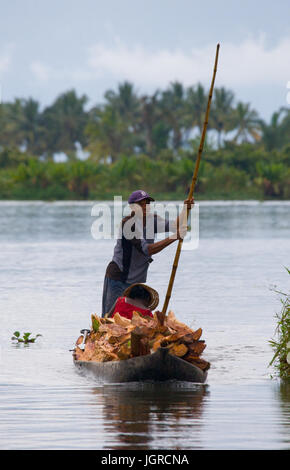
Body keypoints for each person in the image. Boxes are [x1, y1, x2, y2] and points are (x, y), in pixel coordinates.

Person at [102, 189, 194, 317]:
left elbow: (174, 226)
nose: (145, 207)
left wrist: (185, 209)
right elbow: (147, 250)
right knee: (109, 318)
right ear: (132, 207)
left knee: (131, 319)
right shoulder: (128, 224)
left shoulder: (152, 220)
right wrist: (175, 237)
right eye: (141, 204)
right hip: (118, 278)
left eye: (147, 204)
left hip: (136, 281)